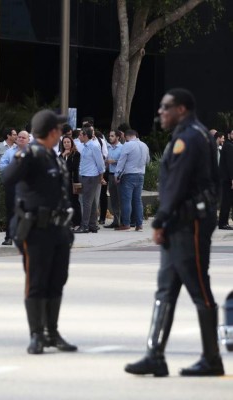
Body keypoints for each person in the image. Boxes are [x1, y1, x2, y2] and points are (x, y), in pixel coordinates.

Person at [125, 88, 224, 378]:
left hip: (188, 223)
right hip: (181, 224)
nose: (160, 113)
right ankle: (154, 355)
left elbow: (177, 184)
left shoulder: (189, 137)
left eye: (165, 107)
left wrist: (160, 221)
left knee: (198, 288)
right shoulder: (193, 133)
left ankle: (211, 358)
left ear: (181, 109)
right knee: (165, 290)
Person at [2, 109, 77, 355]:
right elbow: (8, 178)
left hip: (58, 230)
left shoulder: (54, 156)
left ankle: (51, 332)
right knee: (36, 283)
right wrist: (23, 153)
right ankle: (36, 335)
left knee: (57, 281)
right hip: (36, 230)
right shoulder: (32, 154)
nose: (62, 133)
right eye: (59, 129)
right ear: (53, 132)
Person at [0, 131, 31, 245]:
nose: (21, 139)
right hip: (12, 186)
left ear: (28, 140)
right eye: (19, 137)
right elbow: (1, 165)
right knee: (11, 211)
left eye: (23, 137)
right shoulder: (9, 151)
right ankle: (9, 237)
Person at [115, 129, 150, 231]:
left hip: (129, 175)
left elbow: (122, 160)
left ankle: (126, 223)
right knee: (137, 200)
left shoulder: (128, 145)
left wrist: (117, 174)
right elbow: (147, 161)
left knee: (126, 200)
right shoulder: (144, 145)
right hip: (140, 174)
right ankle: (139, 224)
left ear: (126, 137)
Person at [75, 127, 105, 234]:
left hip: (91, 176)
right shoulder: (84, 146)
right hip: (85, 175)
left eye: (80, 135)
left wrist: (101, 177)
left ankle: (85, 226)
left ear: (85, 136)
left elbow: (100, 163)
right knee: (91, 203)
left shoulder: (94, 146)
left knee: (86, 202)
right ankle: (92, 225)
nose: (78, 137)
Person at [60, 136, 82, 228]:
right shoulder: (61, 154)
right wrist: (63, 155)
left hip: (73, 181)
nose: (66, 144)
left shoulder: (76, 154)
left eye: (68, 142)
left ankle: (77, 222)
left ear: (72, 143)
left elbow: (73, 167)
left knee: (74, 201)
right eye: (64, 142)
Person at [105, 130, 123, 228]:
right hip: (110, 175)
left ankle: (122, 221)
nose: (110, 137)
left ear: (118, 137)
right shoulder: (110, 148)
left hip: (118, 176)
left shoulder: (122, 148)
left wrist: (114, 161)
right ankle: (116, 221)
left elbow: (124, 160)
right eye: (109, 136)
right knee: (113, 199)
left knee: (120, 198)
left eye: (112, 136)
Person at [218, 130, 233, 230]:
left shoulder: (229, 145)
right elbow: (230, 164)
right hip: (227, 179)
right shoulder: (228, 146)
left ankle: (223, 222)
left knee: (228, 201)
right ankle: (223, 223)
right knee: (226, 201)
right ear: (229, 135)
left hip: (228, 179)